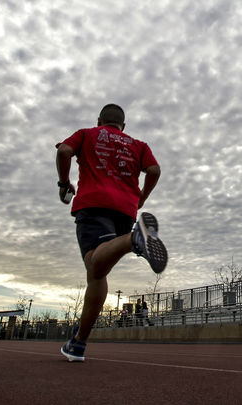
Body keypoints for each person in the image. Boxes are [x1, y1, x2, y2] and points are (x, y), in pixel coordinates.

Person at [57, 104, 167, 362]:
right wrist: (141, 199)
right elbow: (154, 170)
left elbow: (64, 151)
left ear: (99, 121)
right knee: (98, 272)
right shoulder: (139, 145)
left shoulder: (87, 133)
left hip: (93, 204)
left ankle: (133, 239)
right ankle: (78, 343)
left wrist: (64, 183)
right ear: (124, 127)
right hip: (125, 211)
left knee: (94, 265)